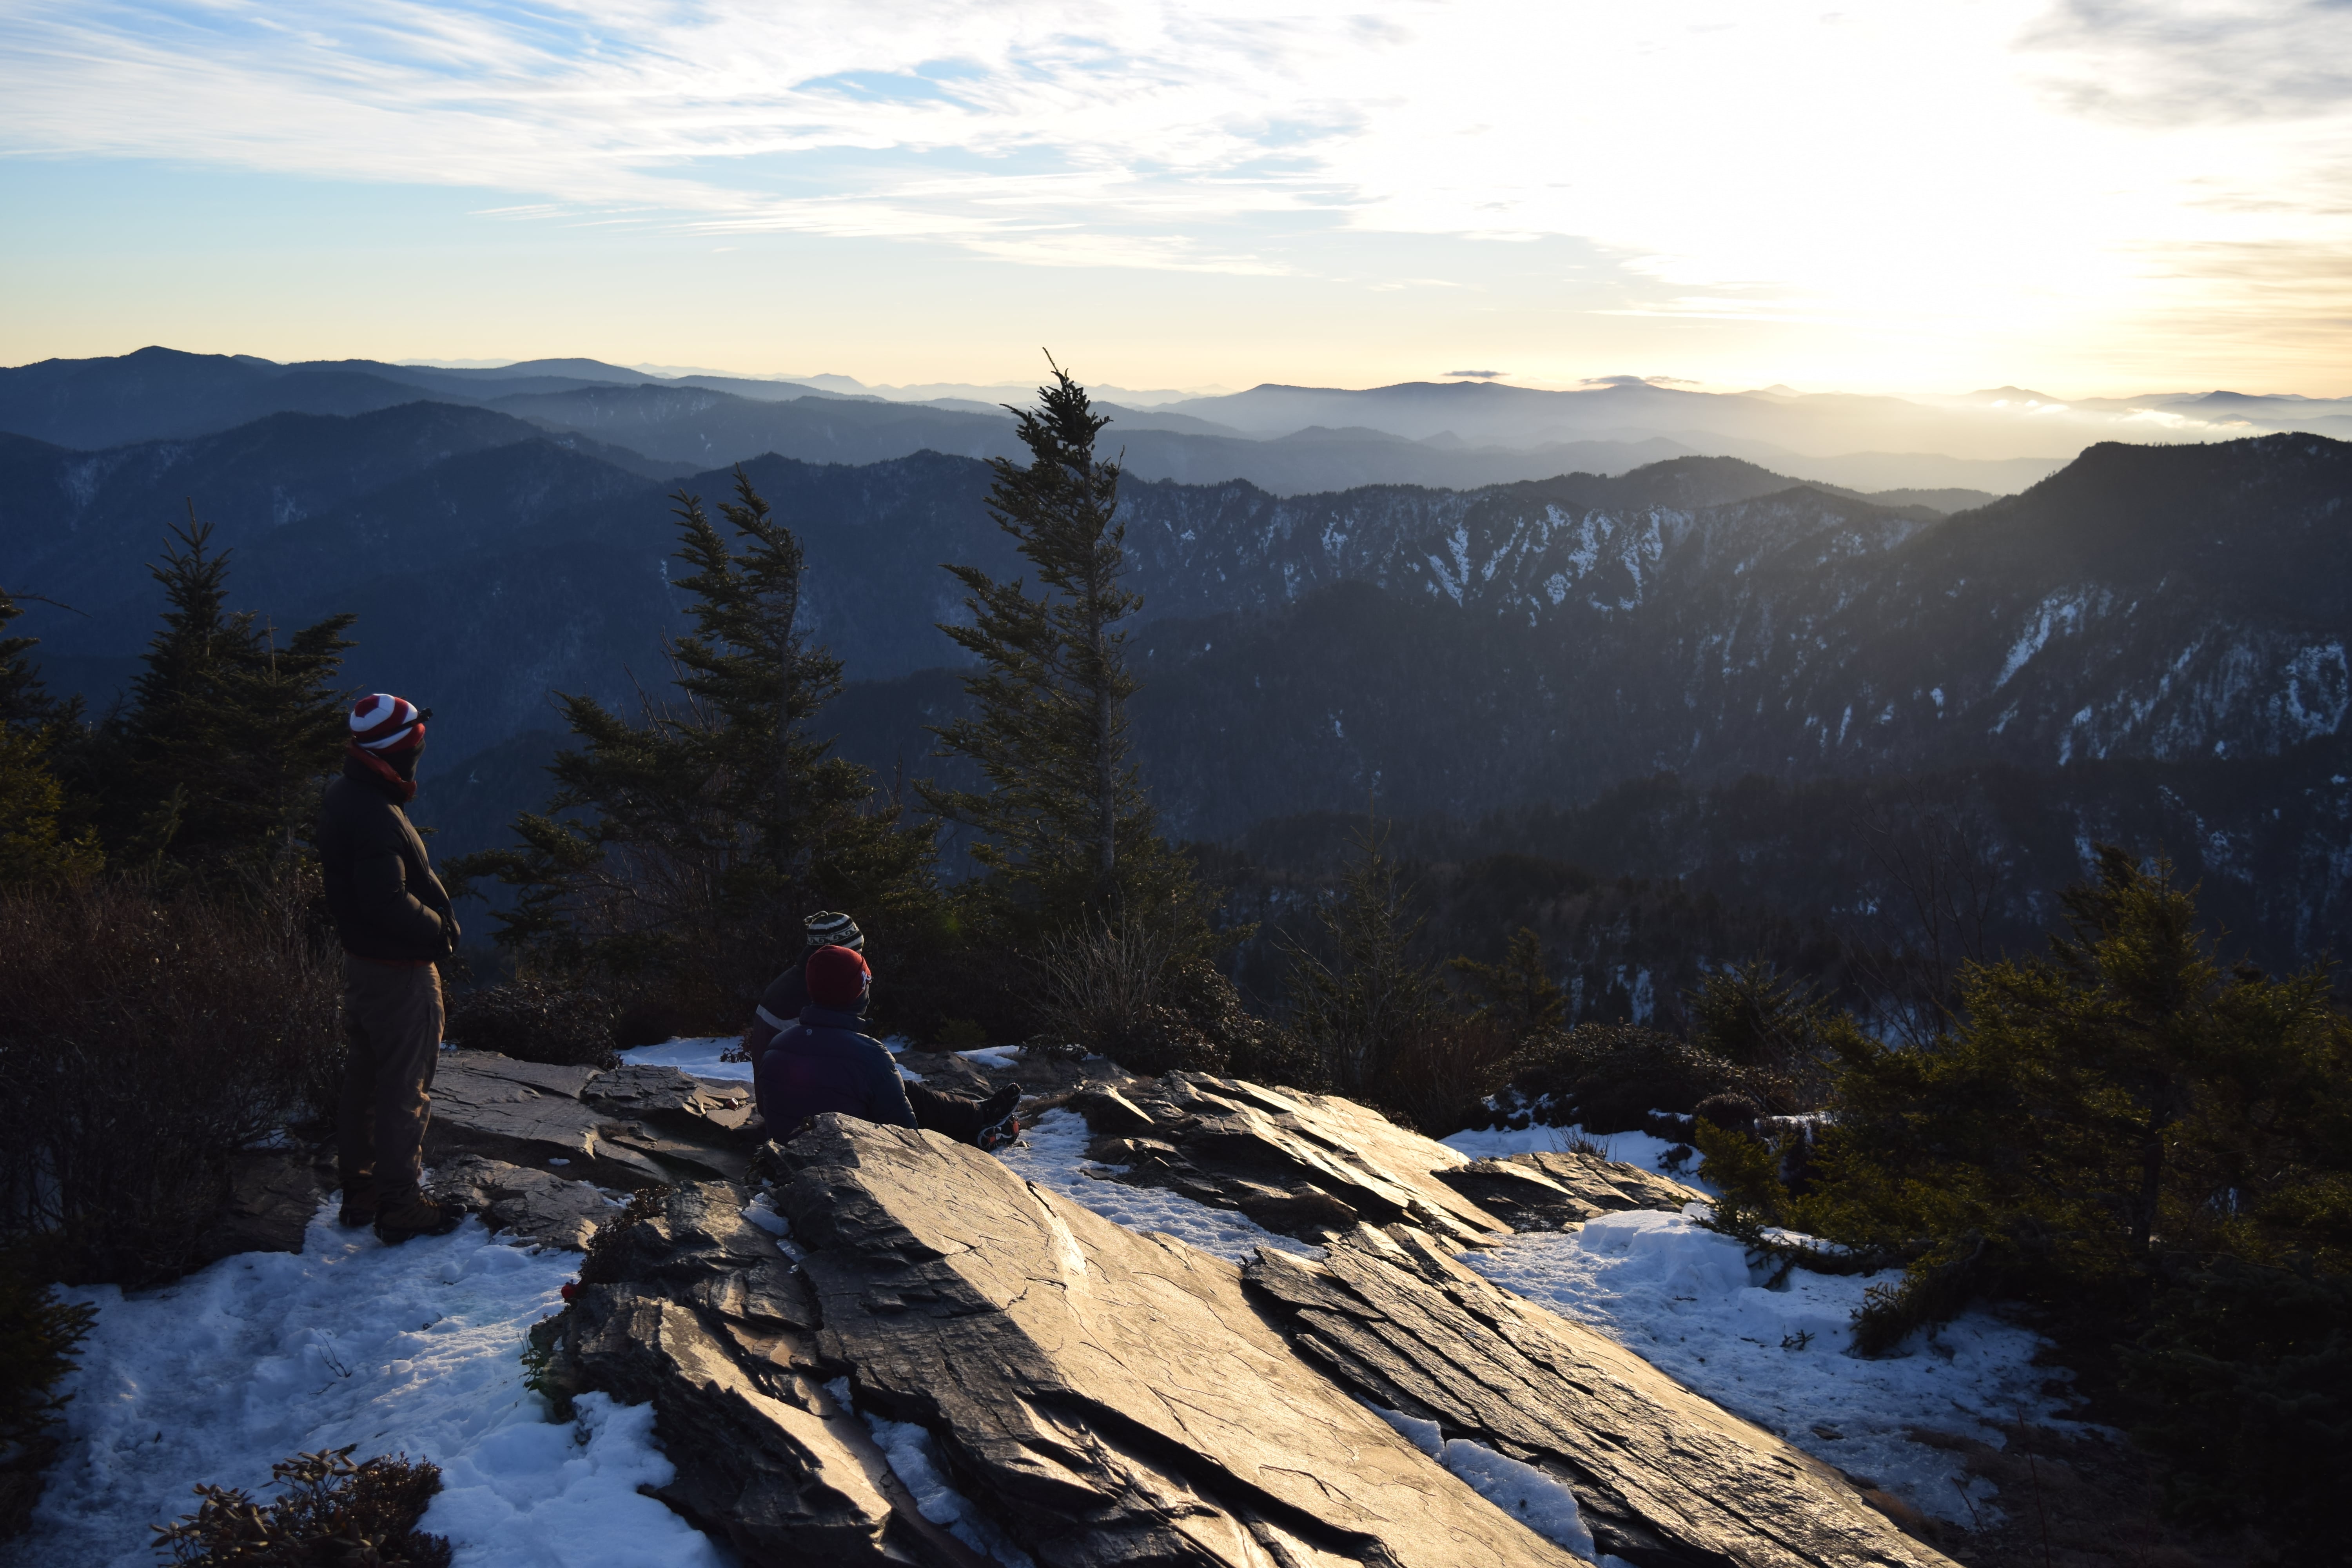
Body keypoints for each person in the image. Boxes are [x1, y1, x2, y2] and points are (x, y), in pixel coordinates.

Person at [318, 693, 467, 1245]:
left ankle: (360, 1189)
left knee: (365, 1079)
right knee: (405, 1086)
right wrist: (438, 928)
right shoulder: (376, 815)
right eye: (415, 747)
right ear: (398, 751)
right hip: (398, 970)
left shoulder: (346, 795)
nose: (419, 755)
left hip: (362, 966)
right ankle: (401, 1202)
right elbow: (386, 901)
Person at [749, 918, 1020, 1147]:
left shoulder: (796, 994)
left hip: (788, 1122)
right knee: (890, 1087)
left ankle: (977, 1116)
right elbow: (907, 1139)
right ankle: (977, 1128)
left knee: (889, 1085)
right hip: (832, 1139)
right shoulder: (822, 1002)